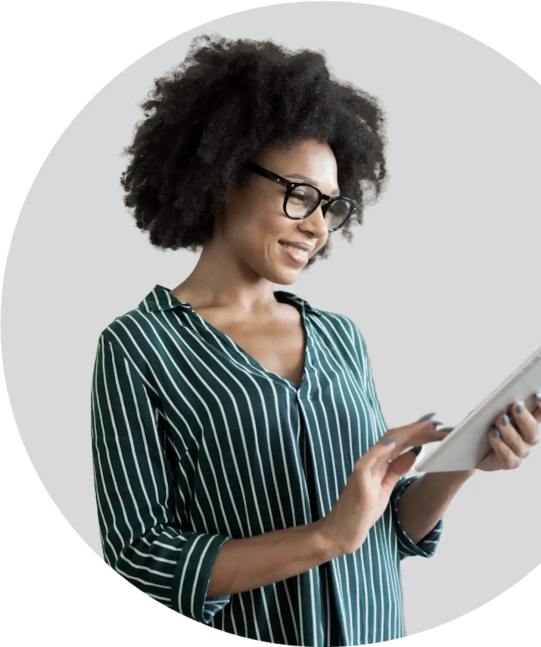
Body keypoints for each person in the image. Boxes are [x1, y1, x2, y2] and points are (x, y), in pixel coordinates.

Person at [91, 34, 455, 647]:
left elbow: (383, 526)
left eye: (330, 206)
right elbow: (141, 559)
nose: (316, 227)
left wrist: (469, 460)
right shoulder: (137, 347)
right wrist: (324, 540)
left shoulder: (341, 338)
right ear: (226, 175)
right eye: (299, 196)